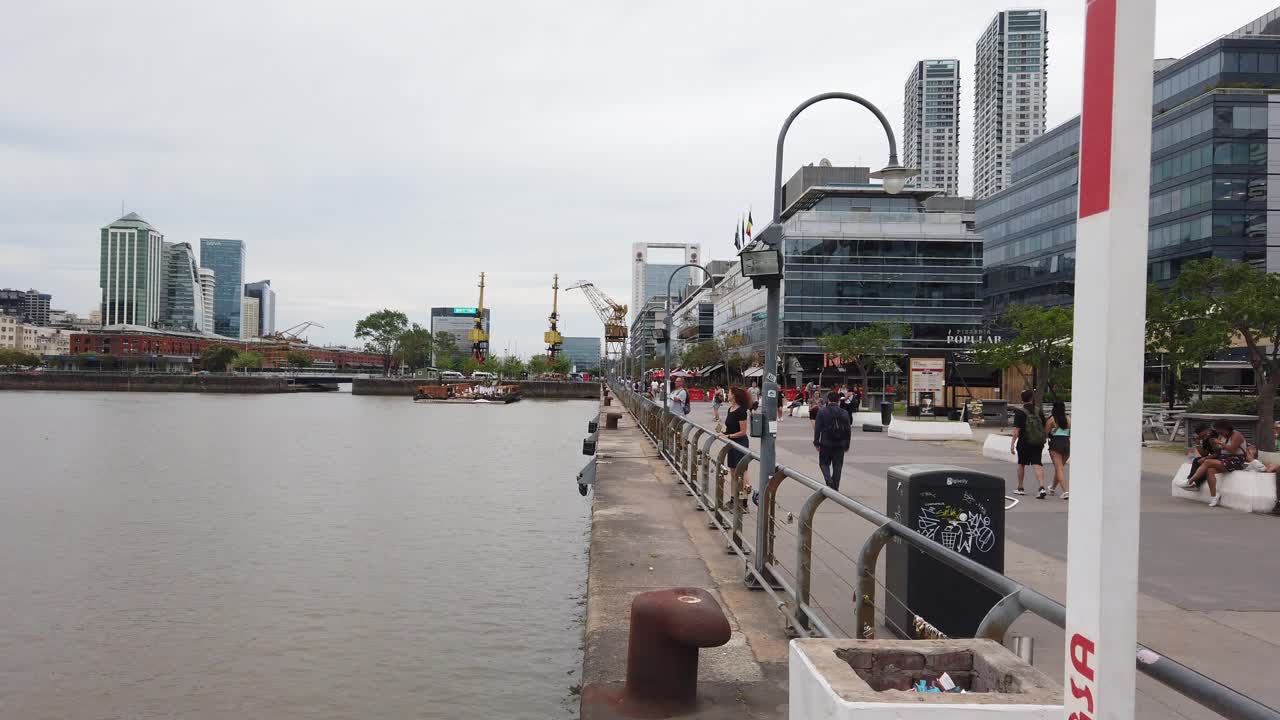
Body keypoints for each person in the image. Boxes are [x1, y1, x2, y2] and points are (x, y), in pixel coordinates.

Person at [813, 390, 853, 492]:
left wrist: (817, 442)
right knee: (838, 466)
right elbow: (848, 430)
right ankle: (835, 487)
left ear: (828, 400)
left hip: (826, 443)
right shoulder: (844, 412)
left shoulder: (822, 411)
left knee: (824, 464)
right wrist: (847, 444)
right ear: (839, 401)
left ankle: (829, 481)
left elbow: (817, 428)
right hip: (840, 444)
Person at [1011, 389, 1047, 498]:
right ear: (1032, 398)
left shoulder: (1020, 412)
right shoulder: (1038, 411)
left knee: (1021, 464)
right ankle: (1041, 487)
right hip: (1037, 442)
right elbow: (1045, 426)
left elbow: (1016, 430)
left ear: (1022, 399)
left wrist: (1012, 444)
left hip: (1024, 442)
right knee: (1037, 463)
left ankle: (1020, 487)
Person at [1045, 401, 1071, 500]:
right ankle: (1052, 488)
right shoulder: (1068, 419)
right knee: (1059, 467)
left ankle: (1065, 491)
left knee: (1059, 468)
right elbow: (1070, 433)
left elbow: (1046, 433)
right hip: (1066, 443)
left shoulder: (1052, 419)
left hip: (1056, 443)